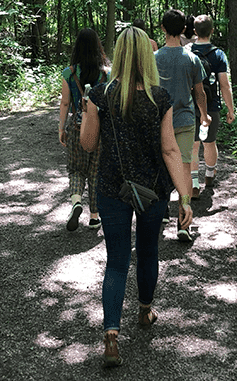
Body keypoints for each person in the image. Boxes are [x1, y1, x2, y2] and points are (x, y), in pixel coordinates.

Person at [80, 26, 193, 368]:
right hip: (154, 189)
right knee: (147, 253)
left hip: (112, 188)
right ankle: (145, 312)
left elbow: (87, 144)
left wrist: (88, 110)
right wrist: (185, 200)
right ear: (146, 56)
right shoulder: (159, 98)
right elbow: (171, 149)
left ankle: (111, 336)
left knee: (116, 261)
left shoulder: (100, 95)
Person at [154, 9, 210, 241]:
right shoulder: (192, 59)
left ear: (163, 28)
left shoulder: (154, 59)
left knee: (159, 168)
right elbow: (200, 93)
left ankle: (158, 217)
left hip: (159, 122)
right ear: (185, 30)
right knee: (185, 168)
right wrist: (204, 115)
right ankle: (183, 222)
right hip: (185, 120)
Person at [58, 28, 110, 231]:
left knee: (76, 169)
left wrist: (61, 128)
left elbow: (64, 103)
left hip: (77, 127)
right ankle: (95, 216)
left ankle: (77, 201)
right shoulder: (107, 73)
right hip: (101, 130)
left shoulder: (68, 73)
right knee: (97, 171)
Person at [190, 15, 236, 196]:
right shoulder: (218, 54)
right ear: (212, 31)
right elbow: (224, 84)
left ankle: (194, 183)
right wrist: (230, 109)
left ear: (194, 32)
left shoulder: (187, 52)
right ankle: (209, 175)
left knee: (193, 146)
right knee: (209, 143)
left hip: (190, 104)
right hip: (211, 105)